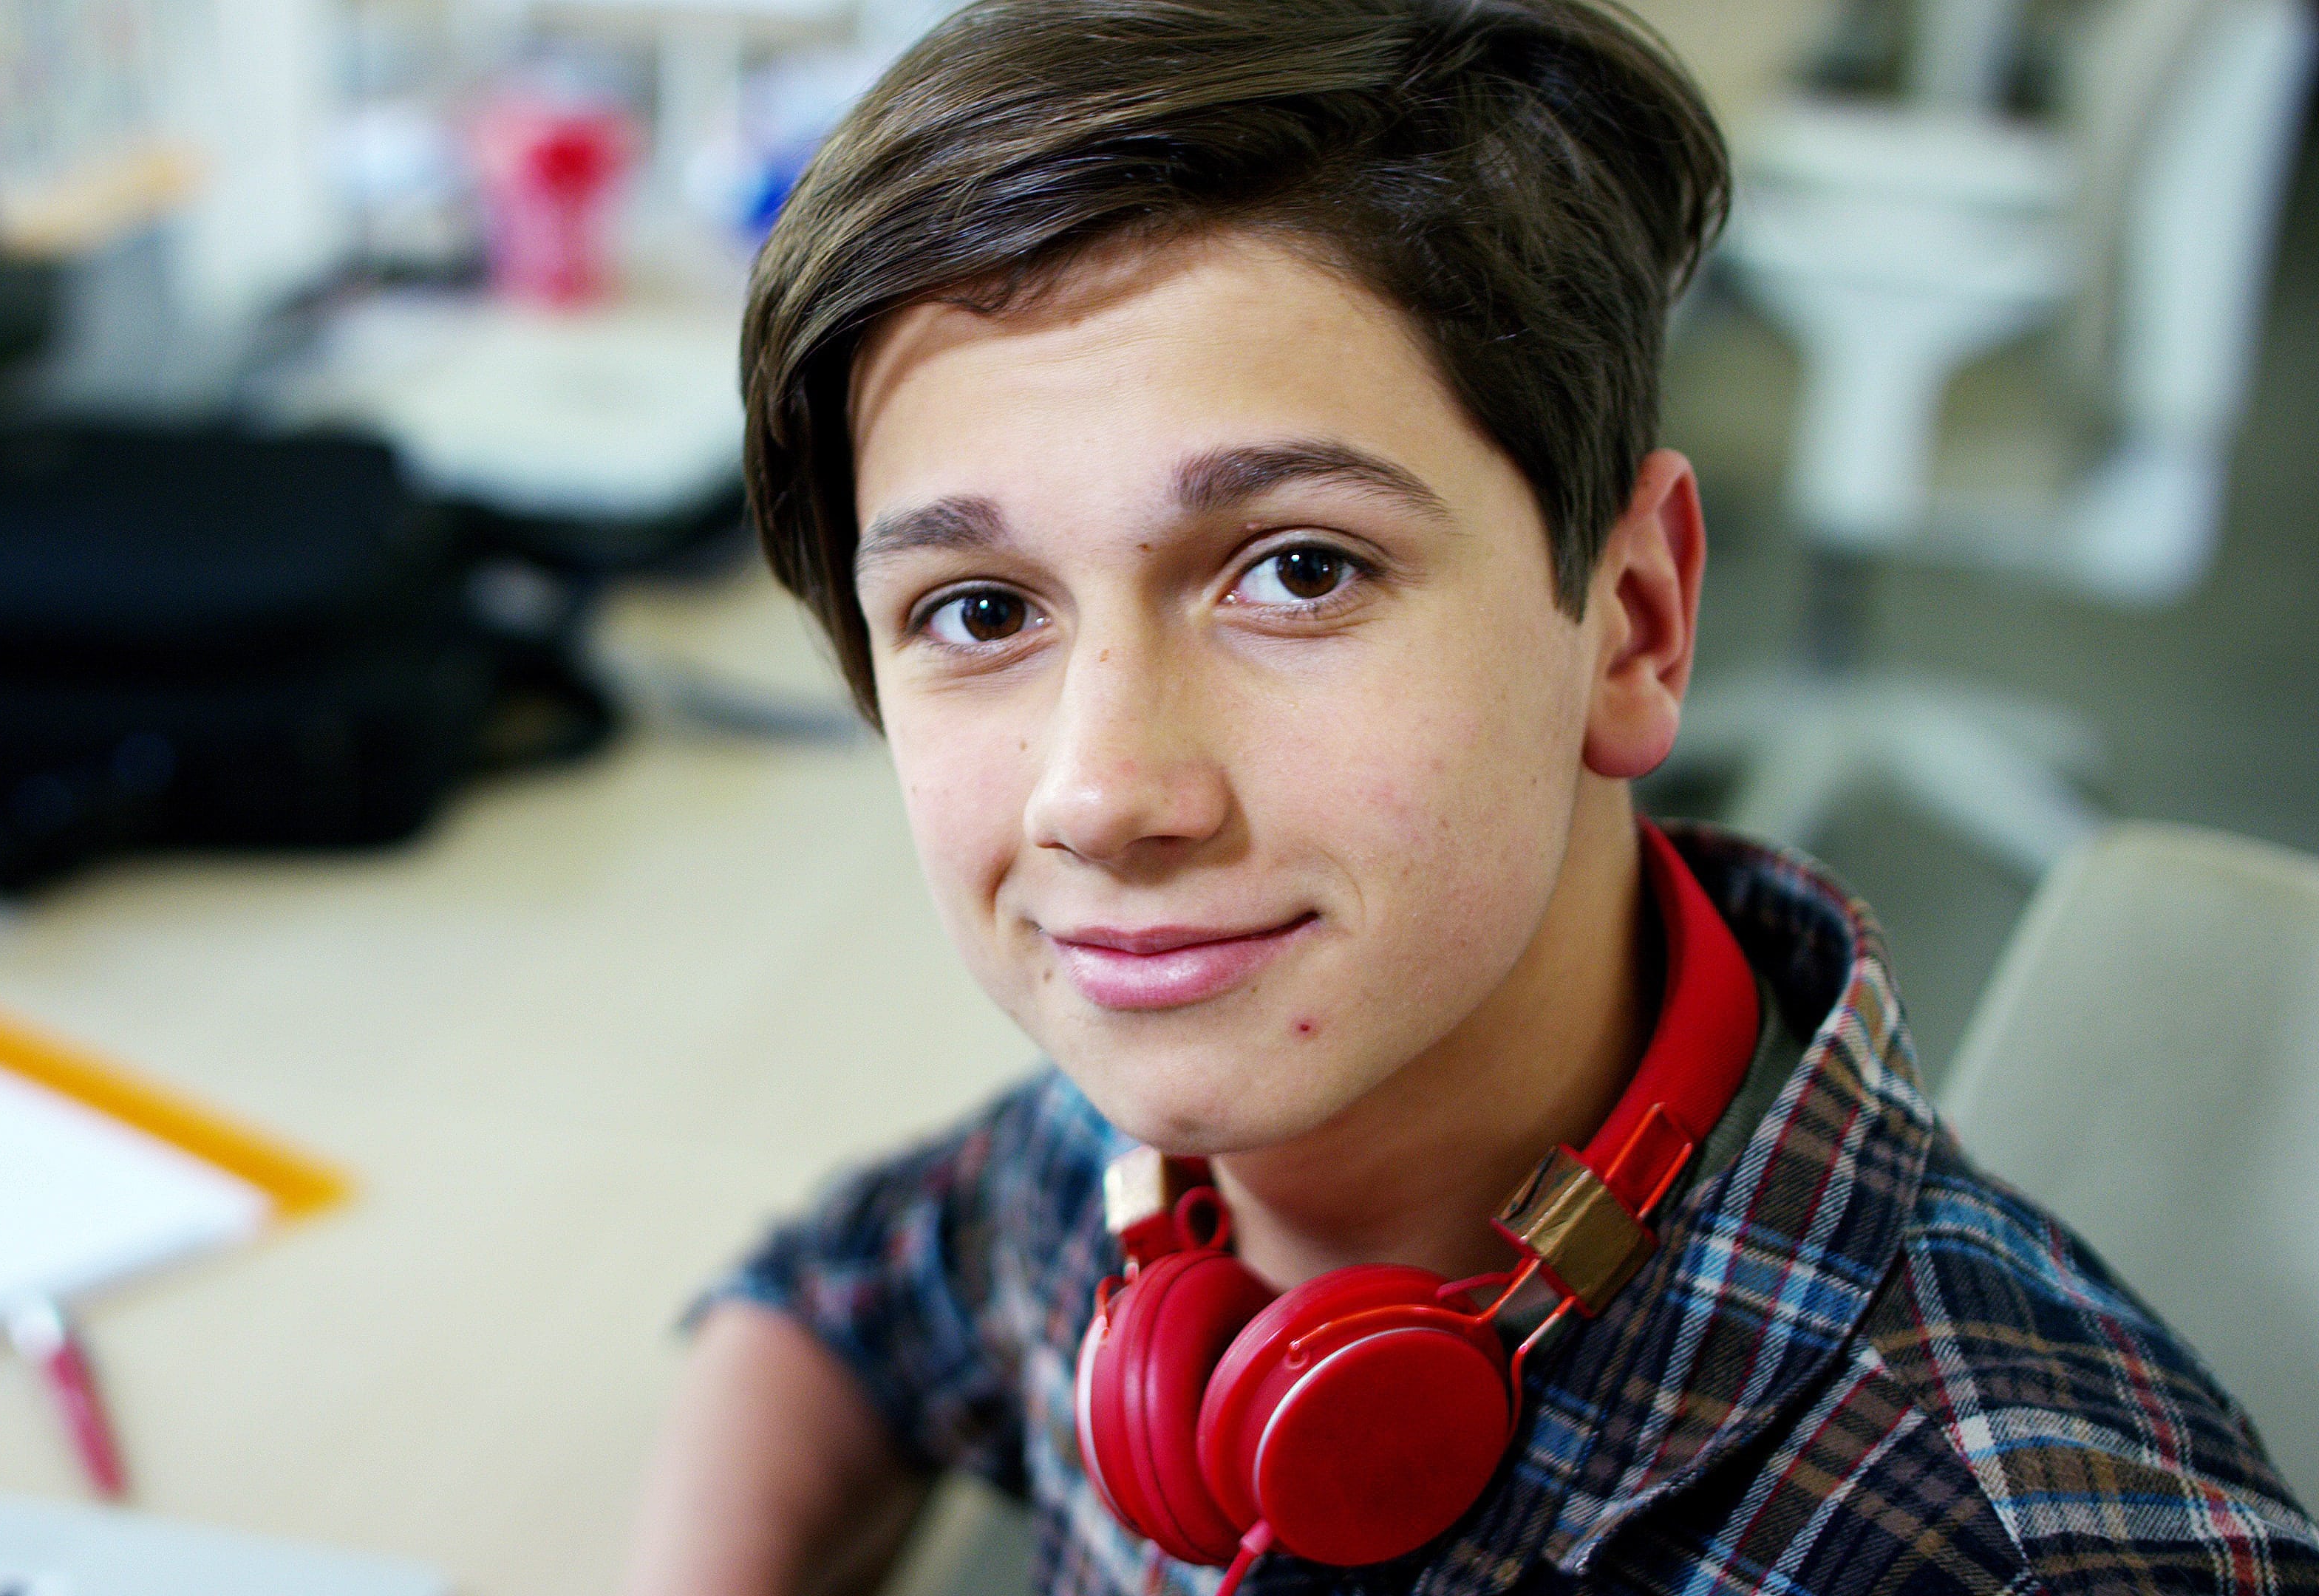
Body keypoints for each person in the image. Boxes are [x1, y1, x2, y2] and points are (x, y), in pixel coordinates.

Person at [619, 0, 2319, 1592]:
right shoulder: (1133, 1148)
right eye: (978, 612)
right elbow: (834, 1299)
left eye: (1295, 571)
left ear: (1633, 620)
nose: (1104, 796)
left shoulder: (2014, 1546)